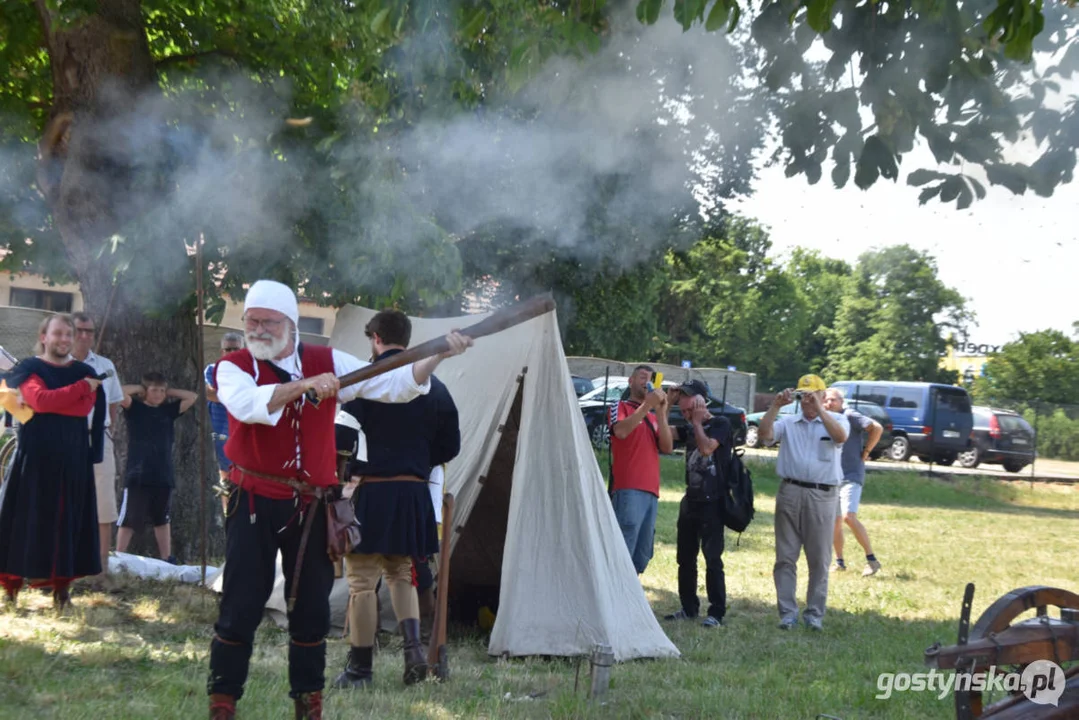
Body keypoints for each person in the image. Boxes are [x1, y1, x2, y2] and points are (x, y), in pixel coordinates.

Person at [206, 281, 472, 720]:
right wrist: (308, 386)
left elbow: (393, 385)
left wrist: (440, 353)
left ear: (289, 324)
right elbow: (249, 405)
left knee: (310, 610)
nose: (256, 329)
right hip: (253, 499)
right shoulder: (234, 366)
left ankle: (309, 704)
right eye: (251, 321)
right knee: (240, 605)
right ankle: (223, 702)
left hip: (311, 506)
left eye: (266, 322)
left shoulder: (325, 360)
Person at [332, 309, 461, 690]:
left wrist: (351, 473)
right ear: (406, 337)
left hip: (373, 490)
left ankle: (360, 669)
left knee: (361, 581)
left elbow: (342, 443)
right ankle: (414, 654)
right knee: (401, 574)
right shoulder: (435, 387)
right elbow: (449, 446)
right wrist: (416, 462)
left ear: (374, 338)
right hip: (414, 492)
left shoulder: (364, 380)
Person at [0, 314, 104, 610]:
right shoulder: (31, 368)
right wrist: (82, 388)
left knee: (66, 520)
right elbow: (40, 401)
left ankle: (62, 590)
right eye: (57, 334)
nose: (64, 340)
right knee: (25, 520)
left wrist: (66, 398)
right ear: (44, 337)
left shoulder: (85, 370)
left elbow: (82, 410)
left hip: (72, 456)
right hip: (34, 456)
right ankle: (11, 590)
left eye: (68, 335)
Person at [758, 374, 849, 632]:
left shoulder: (837, 419)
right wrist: (775, 406)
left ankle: (814, 615)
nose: (806, 401)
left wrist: (820, 410)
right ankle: (787, 614)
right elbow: (765, 435)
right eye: (802, 395)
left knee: (819, 557)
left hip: (822, 494)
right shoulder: (789, 421)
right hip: (790, 490)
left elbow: (840, 437)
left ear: (823, 396)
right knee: (785, 556)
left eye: (812, 395)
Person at [664, 380, 732, 628]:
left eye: (689, 406)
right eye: (682, 409)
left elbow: (706, 449)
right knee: (685, 558)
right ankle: (689, 607)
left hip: (713, 502)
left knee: (712, 559)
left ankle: (716, 611)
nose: (686, 412)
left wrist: (696, 422)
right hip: (690, 501)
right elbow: (664, 433)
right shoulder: (688, 425)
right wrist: (666, 406)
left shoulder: (720, 425)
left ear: (703, 401)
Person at [116, 372, 197, 563]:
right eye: (154, 390)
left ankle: (166, 557)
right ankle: (119, 555)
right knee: (130, 517)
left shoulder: (168, 411)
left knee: (162, 517)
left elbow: (192, 397)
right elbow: (118, 393)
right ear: (145, 392)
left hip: (162, 473)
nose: (159, 394)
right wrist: (139, 388)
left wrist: (169, 391)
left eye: (162, 390)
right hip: (138, 473)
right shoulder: (135, 408)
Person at [70, 312, 125, 580]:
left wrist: (108, 430)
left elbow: (114, 402)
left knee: (103, 504)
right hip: (65, 436)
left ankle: (101, 567)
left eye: (89, 331)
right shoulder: (60, 364)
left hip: (98, 437)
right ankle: (61, 564)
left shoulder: (105, 365)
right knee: (62, 500)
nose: (84, 336)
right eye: (79, 330)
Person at [609, 365, 673, 575]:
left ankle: (629, 598)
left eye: (650, 378)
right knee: (623, 549)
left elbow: (667, 447)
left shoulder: (653, 416)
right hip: (628, 487)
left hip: (651, 491)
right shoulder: (620, 406)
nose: (646, 381)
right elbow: (620, 431)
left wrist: (661, 412)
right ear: (631, 381)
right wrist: (647, 405)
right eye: (642, 377)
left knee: (642, 554)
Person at [823, 389, 884, 577]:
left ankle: (872, 560)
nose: (828, 403)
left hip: (851, 475)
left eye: (832, 400)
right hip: (833, 477)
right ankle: (839, 562)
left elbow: (877, 428)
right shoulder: (826, 419)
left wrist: (866, 452)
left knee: (849, 516)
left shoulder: (849, 415)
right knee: (835, 522)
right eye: (825, 400)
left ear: (842, 401)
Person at [205, 333, 245, 514]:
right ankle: (225, 516)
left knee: (240, 478)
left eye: (236, 348)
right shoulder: (212, 370)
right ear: (222, 351)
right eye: (228, 349)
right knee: (222, 478)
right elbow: (209, 394)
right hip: (218, 431)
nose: (231, 352)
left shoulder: (250, 371)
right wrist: (238, 398)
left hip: (242, 433)